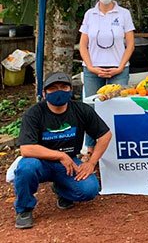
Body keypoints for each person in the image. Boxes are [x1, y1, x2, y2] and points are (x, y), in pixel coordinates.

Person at [13, 72, 112, 229]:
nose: (59, 91)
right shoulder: (34, 113)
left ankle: (61, 189)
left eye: (63, 87)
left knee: (90, 190)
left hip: (69, 164)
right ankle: (24, 209)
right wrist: (60, 155)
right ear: (44, 93)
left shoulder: (81, 110)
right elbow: (26, 148)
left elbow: (105, 135)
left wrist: (91, 163)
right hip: (40, 162)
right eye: (53, 88)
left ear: (70, 90)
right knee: (26, 168)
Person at [78, 0, 134, 150]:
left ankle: (117, 148)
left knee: (118, 107)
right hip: (93, 70)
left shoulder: (124, 14)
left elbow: (130, 44)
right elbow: (82, 45)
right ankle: (90, 148)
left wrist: (119, 67)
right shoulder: (89, 14)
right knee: (91, 109)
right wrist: (92, 67)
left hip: (119, 69)